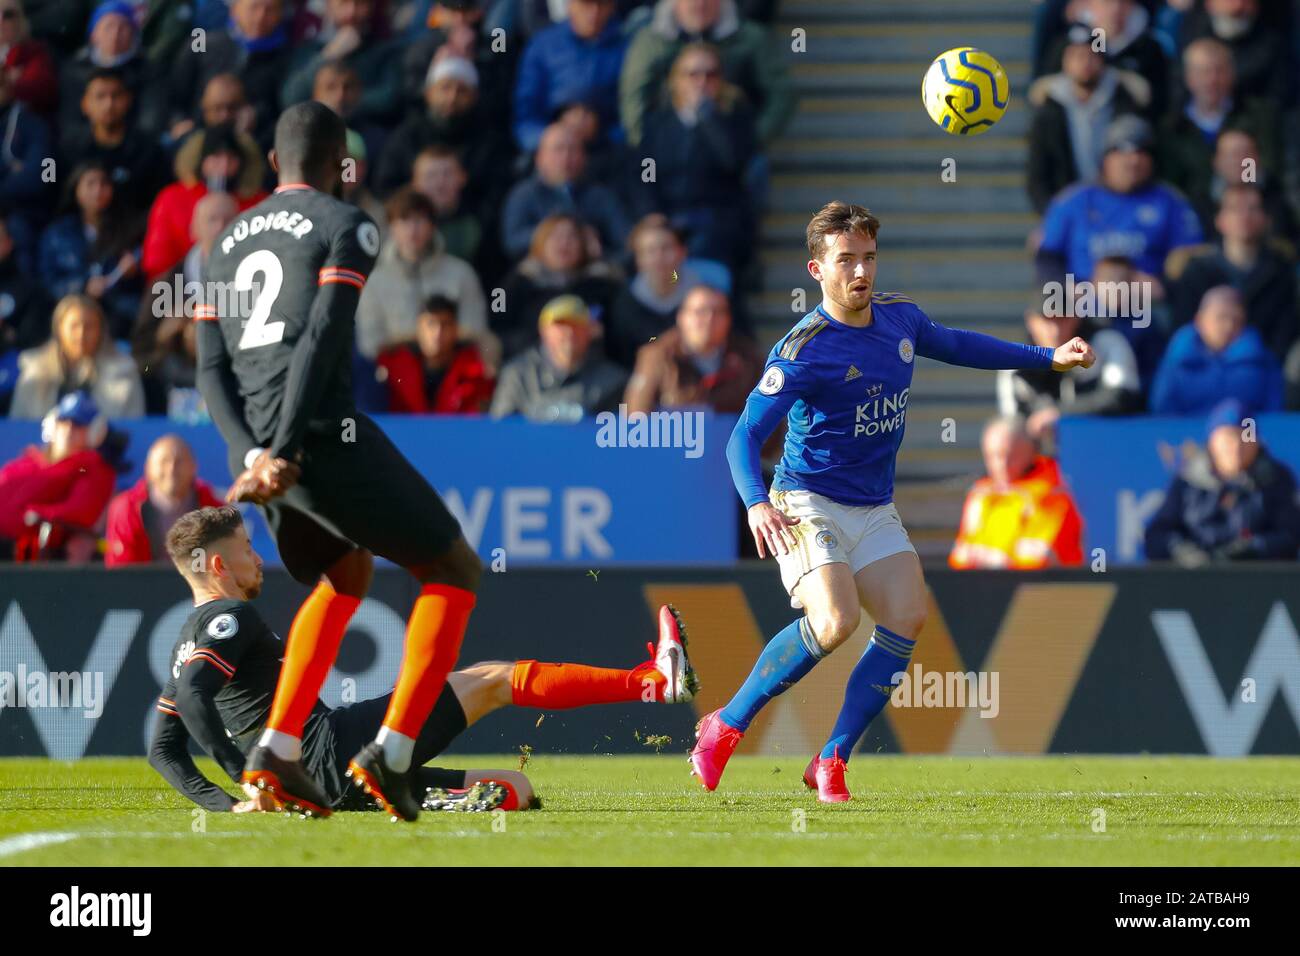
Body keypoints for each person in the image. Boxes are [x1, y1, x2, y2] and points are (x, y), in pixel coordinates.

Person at [693, 201, 1096, 802]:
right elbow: (743, 437)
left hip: (873, 506)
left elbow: (959, 345)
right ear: (816, 270)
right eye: (846, 260)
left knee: (907, 616)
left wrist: (1047, 358)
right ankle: (725, 725)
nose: (861, 272)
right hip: (807, 501)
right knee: (835, 621)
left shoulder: (900, 320)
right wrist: (756, 503)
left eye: (869, 258)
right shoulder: (803, 350)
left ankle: (832, 757)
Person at [197, 101, 485, 823]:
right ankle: (390, 754)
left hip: (266, 459)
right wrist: (290, 445)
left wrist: (252, 454)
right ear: (342, 167)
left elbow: (208, 369)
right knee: (453, 568)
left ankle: (278, 751)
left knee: (346, 572)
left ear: (272, 164)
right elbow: (323, 337)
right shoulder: (346, 224)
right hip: (320, 438)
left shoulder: (221, 243)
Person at [148, 505, 696, 814]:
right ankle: (652, 682)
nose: (257, 557)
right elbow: (195, 700)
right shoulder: (232, 620)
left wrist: (224, 805)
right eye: (247, 548)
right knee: (492, 678)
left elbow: (162, 750)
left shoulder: (186, 640)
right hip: (322, 752)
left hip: (320, 780)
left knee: (515, 788)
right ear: (218, 565)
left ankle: (423, 796)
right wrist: (248, 776)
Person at [1037, 114, 1203, 286]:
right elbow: (1047, 258)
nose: (1134, 160)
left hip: (1149, 301)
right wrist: (1068, 292)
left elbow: (1189, 257)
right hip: (1083, 300)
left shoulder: (1170, 201)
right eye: (1123, 151)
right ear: (1105, 158)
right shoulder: (1072, 200)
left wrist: (1165, 287)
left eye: (1142, 151)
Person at [639, 42, 756, 272]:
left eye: (710, 75)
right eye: (692, 74)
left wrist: (708, 120)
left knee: (705, 260)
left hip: (714, 217)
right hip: (667, 216)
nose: (701, 82)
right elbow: (644, 172)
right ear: (676, 80)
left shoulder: (735, 120)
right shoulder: (657, 123)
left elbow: (733, 162)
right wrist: (651, 211)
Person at [618, 0, 794, 147]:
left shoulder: (752, 39)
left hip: (730, 147)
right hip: (669, 146)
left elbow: (781, 95)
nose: (700, 4)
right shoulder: (650, 42)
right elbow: (632, 98)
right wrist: (648, 146)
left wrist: (751, 142)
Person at [1145, 398, 1300, 563]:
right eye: (1228, 438)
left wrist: (1254, 548)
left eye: (1245, 437)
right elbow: (1157, 536)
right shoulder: (1187, 479)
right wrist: (1183, 553)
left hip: (1256, 582)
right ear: (1212, 442)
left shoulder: (1275, 478)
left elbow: (1291, 536)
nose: (1236, 446)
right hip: (1196, 582)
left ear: (1256, 443)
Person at [353, 187, 490, 362]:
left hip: (451, 372)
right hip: (394, 377)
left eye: (419, 220)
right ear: (391, 227)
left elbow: (476, 331)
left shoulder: (462, 274)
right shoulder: (374, 282)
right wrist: (415, 340)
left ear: (432, 225)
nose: (412, 228)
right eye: (404, 219)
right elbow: (370, 345)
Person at [1166, 183, 1298, 363]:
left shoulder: (1282, 271)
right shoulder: (1196, 271)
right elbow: (1184, 331)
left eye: (1253, 208)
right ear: (1219, 220)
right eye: (1235, 209)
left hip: (1265, 369)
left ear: (1266, 219)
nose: (1244, 216)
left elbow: (1286, 333)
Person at [1027, 21, 1149, 214]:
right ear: (1064, 61)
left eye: (1092, 55)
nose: (1085, 62)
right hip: (1070, 213)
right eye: (1077, 55)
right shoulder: (1049, 111)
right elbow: (1038, 176)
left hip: (1122, 210)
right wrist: (1052, 218)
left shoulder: (1125, 101)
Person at [997, 298, 1141, 445]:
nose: (1055, 330)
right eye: (1047, 320)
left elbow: (1122, 397)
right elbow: (1012, 426)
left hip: (1105, 445)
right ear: (1031, 321)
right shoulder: (1015, 360)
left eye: (1062, 320)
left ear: (1076, 318)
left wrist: (1060, 414)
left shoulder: (1105, 342)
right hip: (1042, 458)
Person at [948, 416, 1085, 570]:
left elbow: (1037, 560)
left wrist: (990, 557)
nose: (1002, 464)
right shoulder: (981, 494)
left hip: (1045, 590)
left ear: (1032, 452)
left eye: (1011, 455)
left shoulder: (1051, 493)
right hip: (987, 588)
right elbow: (960, 556)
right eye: (994, 456)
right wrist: (998, 557)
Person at [0, 391, 115, 562]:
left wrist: (36, 513)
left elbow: (82, 511)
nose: (69, 429)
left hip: (25, 552)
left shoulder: (93, 468)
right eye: (63, 421)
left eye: (78, 425)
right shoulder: (26, 461)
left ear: (94, 432)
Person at [37, 160, 143, 339]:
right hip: (71, 316)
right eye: (90, 183)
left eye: (104, 183)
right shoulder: (57, 233)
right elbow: (47, 282)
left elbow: (139, 285)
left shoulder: (128, 228)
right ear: (76, 189)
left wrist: (133, 272)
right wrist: (83, 285)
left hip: (118, 318)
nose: (98, 191)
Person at [499, 121, 630, 261]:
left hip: (594, 273)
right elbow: (512, 241)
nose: (566, 157)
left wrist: (602, 257)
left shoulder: (600, 196)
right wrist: (559, 235)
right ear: (539, 158)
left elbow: (627, 242)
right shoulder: (523, 194)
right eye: (558, 149)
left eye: (573, 150)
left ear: (584, 158)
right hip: (539, 274)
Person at [623, 284, 760, 413]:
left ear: (728, 319)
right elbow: (636, 414)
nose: (709, 319)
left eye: (718, 312)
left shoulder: (748, 360)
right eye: (700, 311)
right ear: (682, 317)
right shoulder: (657, 357)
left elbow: (768, 418)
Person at [512, 0, 628, 152]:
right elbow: (524, 115)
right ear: (570, 4)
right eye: (586, 4)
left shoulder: (628, 48)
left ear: (612, 6)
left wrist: (600, 134)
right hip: (549, 153)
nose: (594, 13)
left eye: (602, 4)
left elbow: (632, 116)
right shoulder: (543, 46)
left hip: (609, 154)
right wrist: (550, 137)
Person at [490, 293, 627, 420]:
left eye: (577, 325)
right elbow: (501, 432)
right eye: (561, 325)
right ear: (543, 330)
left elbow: (617, 435)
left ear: (590, 331)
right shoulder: (517, 375)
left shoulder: (613, 381)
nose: (569, 333)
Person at [1150, 285, 1283, 414]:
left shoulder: (1261, 359)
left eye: (1236, 320)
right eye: (1221, 317)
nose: (1229, 326)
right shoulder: (1177, 358)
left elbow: (1274, 408)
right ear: (1200, 320)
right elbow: (1163, 408)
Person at [10, 293, 145, 419]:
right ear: (59, 329)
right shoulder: (34, 372)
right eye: (74, 326)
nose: (81, 334)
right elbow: (17, 426)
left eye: (89, 326)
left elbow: (135, 426)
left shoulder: (124, 373)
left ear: (101, 330)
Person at [105, 434, 222, 566]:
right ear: (148, 468)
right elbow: (121, 571)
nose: (171, 469)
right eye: (164, 461)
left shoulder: (214, 509)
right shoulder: (125, 508)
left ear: (194, 467)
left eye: (179, 461)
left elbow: (225, 565)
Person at [604, 213, 702, 367]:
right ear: (638, 259)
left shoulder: (707, 298)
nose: (659, 257)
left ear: (682, 252)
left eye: (666, 248)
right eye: (650, 251)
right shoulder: (625, 305)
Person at [376, 293, 494, 414]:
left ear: (456, 329)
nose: (438, 333)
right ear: (419, 329)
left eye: (445, 324)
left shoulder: (476, 374)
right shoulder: (395, 370)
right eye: (430, 324)